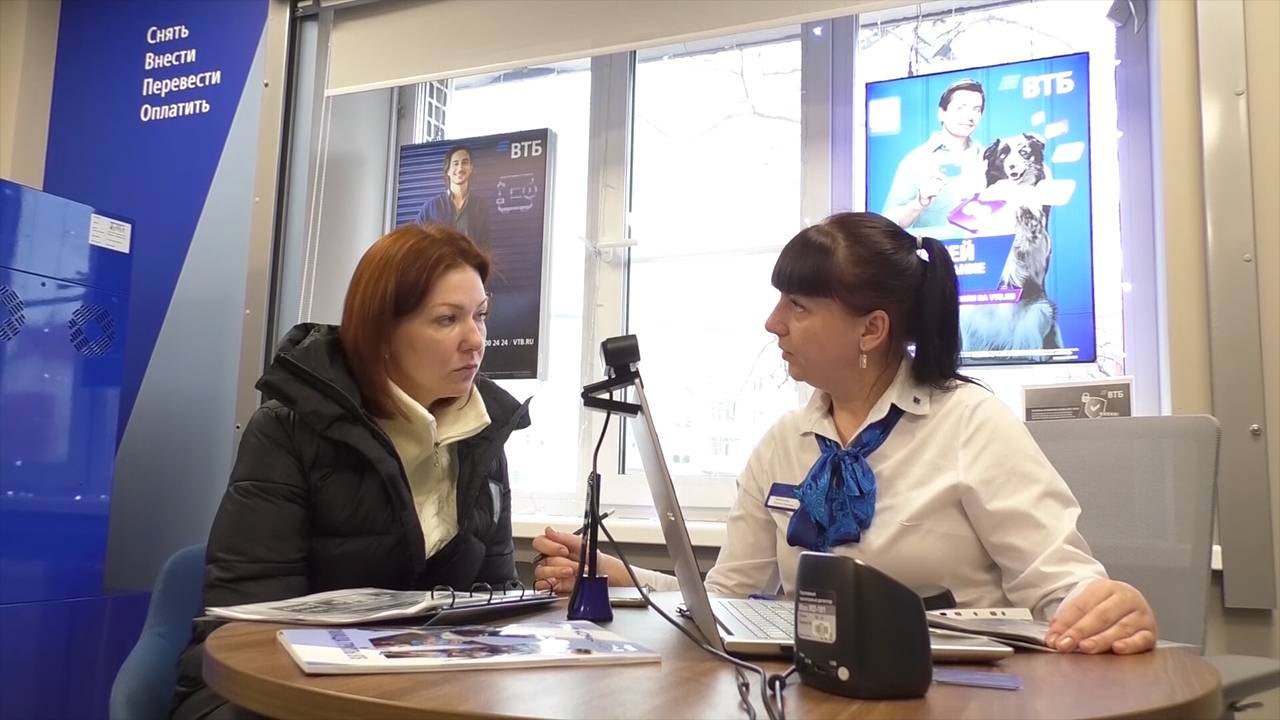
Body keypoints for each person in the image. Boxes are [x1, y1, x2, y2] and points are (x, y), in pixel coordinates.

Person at [534, 212, 1157, 656]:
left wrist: (1102, 606)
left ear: (871, 329)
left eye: (798, 306)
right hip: (814, 690)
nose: (773, 323)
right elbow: (727, 598)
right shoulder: (785, 440)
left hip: (952, 695)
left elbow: (1061, 586)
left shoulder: (971, 423)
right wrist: (624, 576)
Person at [171, 224, 530, 719]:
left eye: (481, 316)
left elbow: (496, 603)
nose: (476, 340)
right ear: (381, 334)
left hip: (418, 695)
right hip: (266, 696)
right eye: (448, 319)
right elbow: (248, 626)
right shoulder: (288, 430)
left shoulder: (482, 434)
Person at [882, 79, 988, 231]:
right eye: (961, 108)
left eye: (976, 110)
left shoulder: (987, 158)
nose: (970, 116)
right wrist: (919, 203)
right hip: (934, 246)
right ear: (941, 113)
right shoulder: (916, 160)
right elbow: (888, 224)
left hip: (982, 245)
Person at [415, 145, 491, 248]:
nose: (460, 168)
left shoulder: (480, 207)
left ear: (471, 168)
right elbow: (415, 242)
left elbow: (484, 246)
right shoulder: (431, 207)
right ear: (448, 170)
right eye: (455, 163)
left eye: (464, 163)